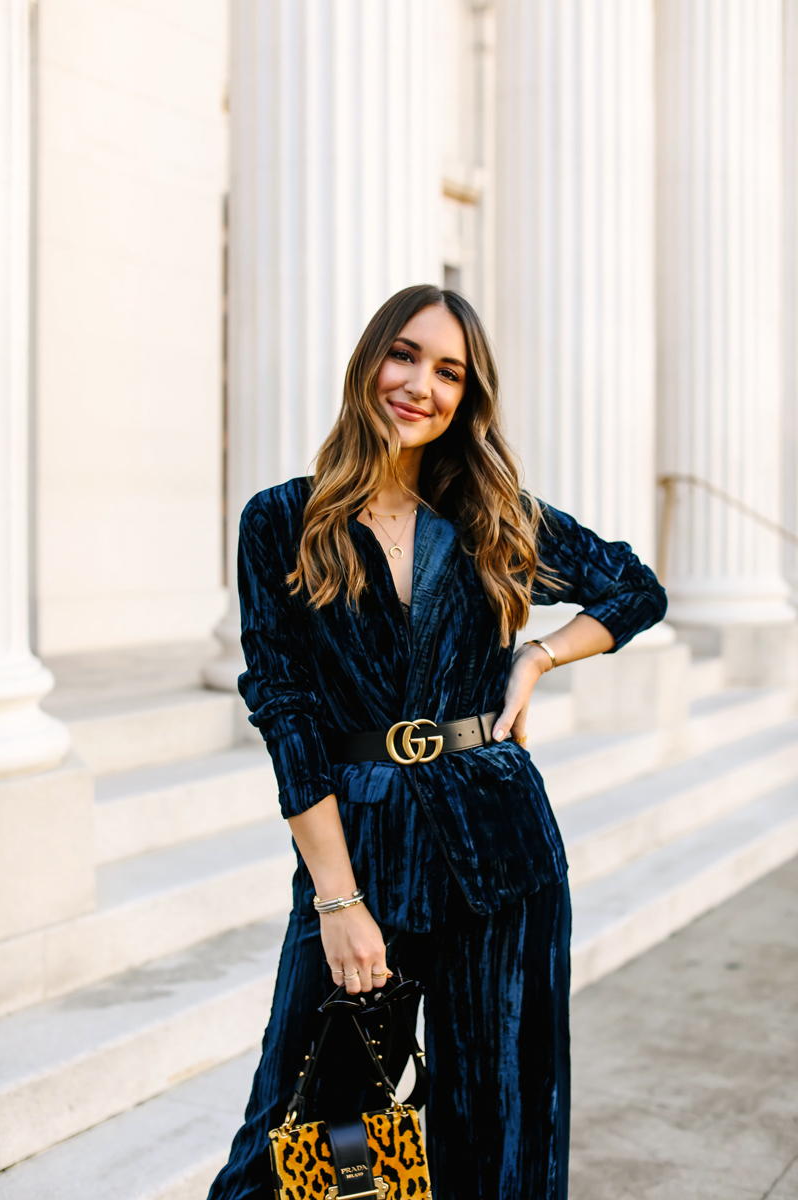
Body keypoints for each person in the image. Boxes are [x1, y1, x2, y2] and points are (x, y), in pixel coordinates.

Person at [208, 283, 667, 1200]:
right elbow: (288, 715)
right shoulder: (282, 521)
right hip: (364, 853)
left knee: (502, 1128)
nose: (422, 384)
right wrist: (339, 907)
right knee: (315, 1136)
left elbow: (636, 589)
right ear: (369, 363)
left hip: (503, 845)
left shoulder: (490, 516)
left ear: (469, 396)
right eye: (406, 355)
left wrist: (538, 653)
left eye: (450, 371)